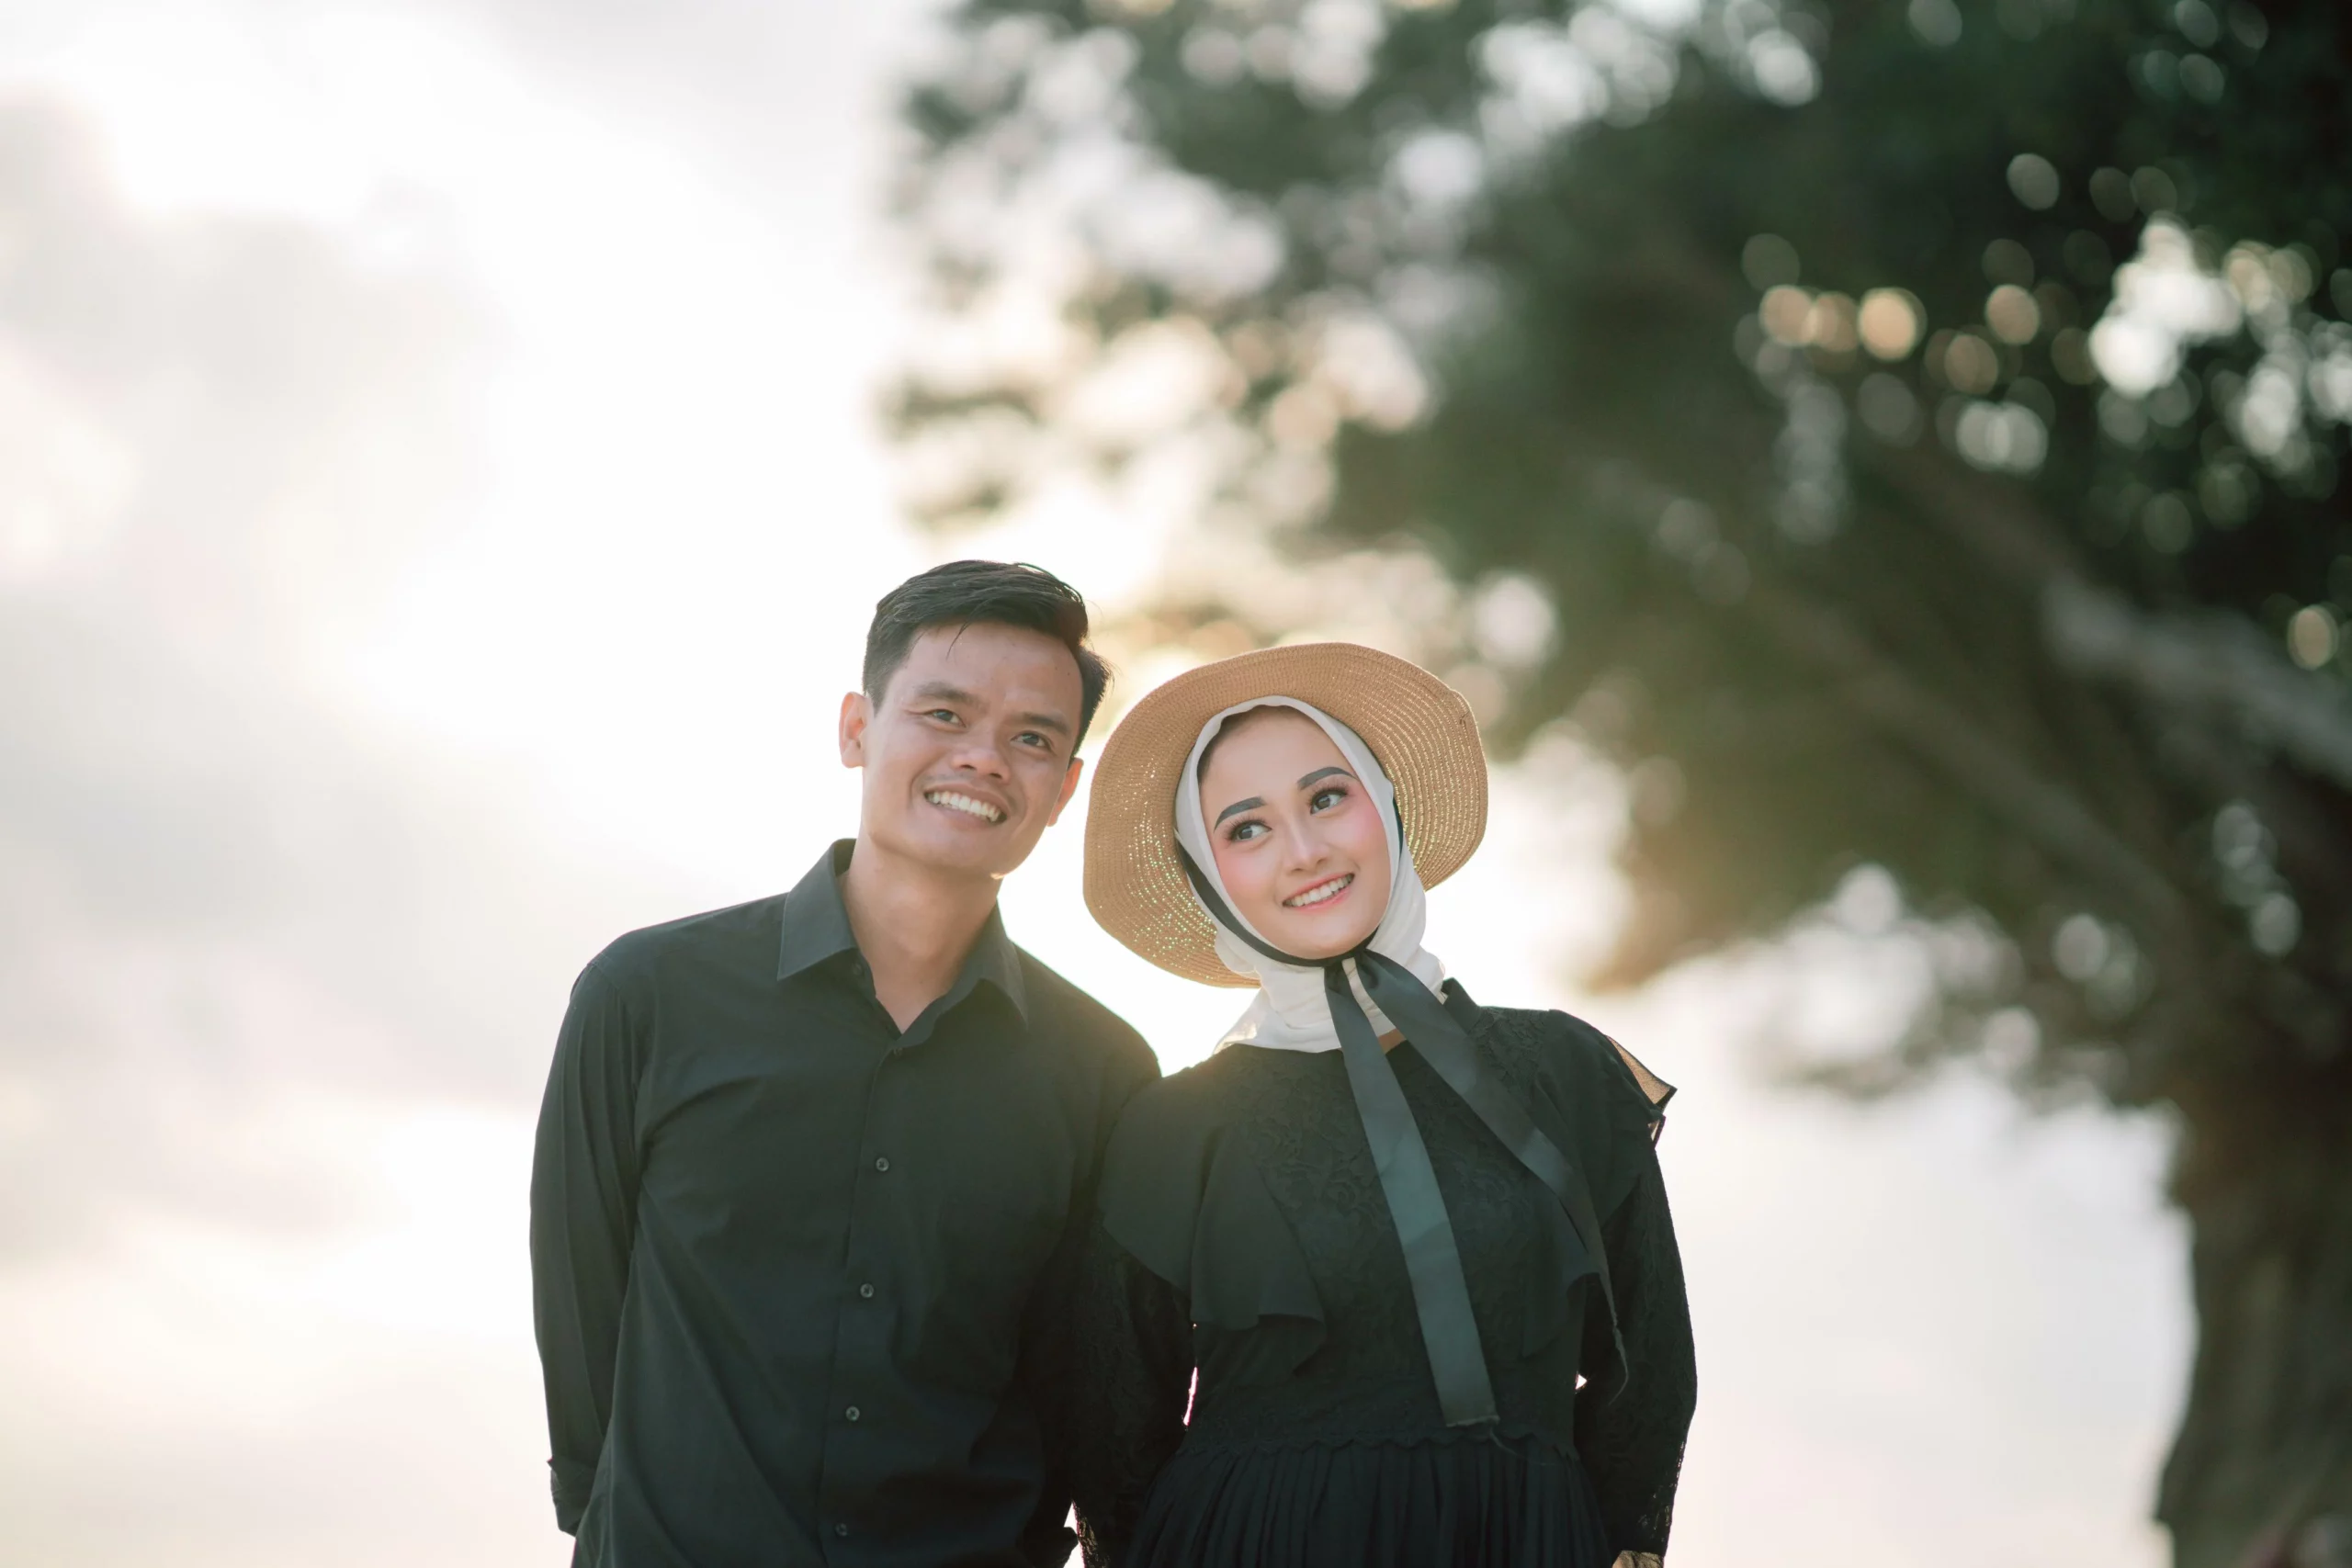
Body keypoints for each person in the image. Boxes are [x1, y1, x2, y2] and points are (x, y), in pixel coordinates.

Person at [530, 560, 1160, 1567]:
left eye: (1032, 738)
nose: (983, 757)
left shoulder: (1104, 1072)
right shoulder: (646, 997)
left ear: (1063, 790)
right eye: (944, 714)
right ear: (857, 728)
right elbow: (581, 1313)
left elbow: (1077, 1381)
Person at [1068, 642, 1695, 1568]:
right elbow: (1115, 1430)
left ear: (1388, 806)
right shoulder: (1173, 1127)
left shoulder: (1561, 1069)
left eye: (1327, 798)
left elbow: (1649, 1367)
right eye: (1247, 829)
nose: (1305, 850)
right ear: (1207, 878)